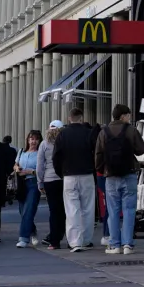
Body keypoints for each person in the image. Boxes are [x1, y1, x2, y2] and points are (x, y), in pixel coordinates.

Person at [95, 105, 144, 255]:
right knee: (129, 210)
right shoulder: (131, 130)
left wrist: (102, 169)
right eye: (128, 115)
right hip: (128, 174)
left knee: (113, 211)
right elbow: (141, 150)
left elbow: (98, 155)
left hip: (110, 176)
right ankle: (127, 245)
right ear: (123, 116)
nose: (129, 118)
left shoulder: (103, 132)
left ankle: (115, 244)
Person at [52, 108, 98, 252]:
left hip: (69, 175)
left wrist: (61, 173)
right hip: (87, 174)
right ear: (81, 118)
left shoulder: (62, 134)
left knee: (72, 209)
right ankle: (86, 239)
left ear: (69, 118)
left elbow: (56, 157)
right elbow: (96, 152)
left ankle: (74, 241)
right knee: (88, 208)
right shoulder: (88, 133)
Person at [37, 120, 66, 250]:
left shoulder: (44, 144)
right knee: (66, 210)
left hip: (49, 180)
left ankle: (54, 241)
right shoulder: (65, 142)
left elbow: (39, 166)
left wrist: (40, 182)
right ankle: (69, 238)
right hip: (64, 179)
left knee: (54, 211)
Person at [14, 130, 43, 248]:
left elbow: (42, 170)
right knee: (22, 211)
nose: (33, 141)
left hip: (33, 183)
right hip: (21, 184)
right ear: (27, 140)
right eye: (31, 139)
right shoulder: (22, 151)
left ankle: (23, 238)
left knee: (29, 210)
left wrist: (30, 171)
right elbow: (15, 163)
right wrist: (17, 168)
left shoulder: (40, 153)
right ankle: (32, 231)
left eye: (36, 139)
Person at [2, 135, 18, 206]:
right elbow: (16, 160)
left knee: (2, 184)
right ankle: (9, 197)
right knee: (10, 184)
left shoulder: (0, 148)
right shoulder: (13, 149)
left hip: (2, 169)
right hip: (10, 169)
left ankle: (2, 199)